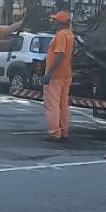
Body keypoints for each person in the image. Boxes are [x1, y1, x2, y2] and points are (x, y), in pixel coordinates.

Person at [41, 11, 74, 143]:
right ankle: (63, 131)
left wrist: (49, 72)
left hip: (56, 75)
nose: (53, 22)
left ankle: (54, 133)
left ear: (60, 23)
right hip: (66, 74)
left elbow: (59, 54)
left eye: (55, 20)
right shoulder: (70, 34)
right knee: (63, 104)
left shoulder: (61, 35)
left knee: (52, 104)